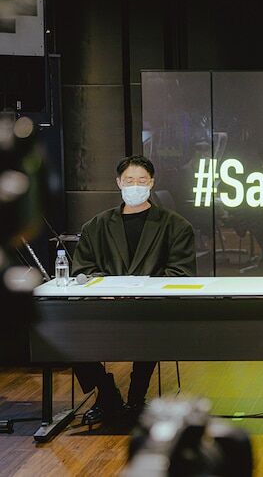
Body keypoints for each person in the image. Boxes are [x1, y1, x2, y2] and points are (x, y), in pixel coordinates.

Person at [72, 155, 197, 427]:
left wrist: (146, 290)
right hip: (106, 307)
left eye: (142, 180)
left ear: (151, 183)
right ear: (119, 182)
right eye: (129, 180)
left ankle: (136, 399)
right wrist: (107, 290)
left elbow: (182, 273)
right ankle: (107, 392)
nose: (135, 186)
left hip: (151, 308)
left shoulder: (176, 226)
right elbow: (82, 270)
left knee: (149, 327)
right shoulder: (95, 226)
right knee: (67, 331)